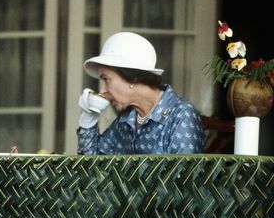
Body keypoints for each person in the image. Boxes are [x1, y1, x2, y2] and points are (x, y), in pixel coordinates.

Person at [77, 32, 206, 154]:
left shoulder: (181, 115)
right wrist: (88, 118)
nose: (102, 91)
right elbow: (93, 166)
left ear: (133, 77)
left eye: (106, 79)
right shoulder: (127, 119)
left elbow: (185, 176)